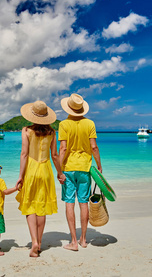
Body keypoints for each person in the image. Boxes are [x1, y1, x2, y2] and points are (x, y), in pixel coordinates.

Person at [16, 100, 66, 257]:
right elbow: (55, 155)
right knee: (41, 207)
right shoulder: (52, 133)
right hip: (45, 170)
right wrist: (60, 173)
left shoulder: (26, 131)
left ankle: (34, 242)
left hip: (31, 170)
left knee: (30, 206)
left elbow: (24, 154)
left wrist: (20, 176)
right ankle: (40, 241)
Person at [58, 93, 102, 251]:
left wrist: (59, 169)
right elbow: (94, 147)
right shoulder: (90, 123)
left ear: (68, 108)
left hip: (69, 169)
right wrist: (99, 165)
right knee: (83, 203)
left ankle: (73, 241)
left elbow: (62, 148)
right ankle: (83, 240)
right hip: (85, 169)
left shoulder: (63, 124)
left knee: (69, 203)